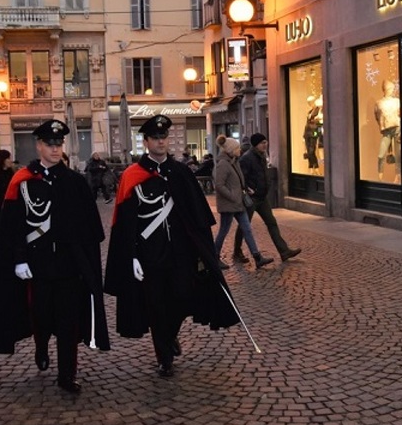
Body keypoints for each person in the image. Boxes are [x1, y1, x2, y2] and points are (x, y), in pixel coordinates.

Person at [0, 119, 109, 394]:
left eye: (58, 144)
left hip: (68, 265)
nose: (54, 149)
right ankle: (40, 346)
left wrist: (84, 262)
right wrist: (19, 259)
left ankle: (67, 374)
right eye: (49, 144)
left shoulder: (74, 181)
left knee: (68, 321)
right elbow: (13, 227)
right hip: (36, 265)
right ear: (39, 146)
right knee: (40, 315)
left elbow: (90, 227)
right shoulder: (22, 181)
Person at [104, 115, 239, 378]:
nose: (161, 142)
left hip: (181, 254)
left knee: (181, 299)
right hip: (150, 255)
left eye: (164, 138)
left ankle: (169, 335)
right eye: (155, 138)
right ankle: (164, 356)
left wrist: (202, 250)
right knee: (156, 306)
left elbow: (197, 216)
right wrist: (131, 256)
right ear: (145, 142)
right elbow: (125, 223)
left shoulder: (181, 172)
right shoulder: (132, 176)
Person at [232, 133, 302, 264]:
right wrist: (247, 189)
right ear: (256, 144)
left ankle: (284, 251)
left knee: (272, 223)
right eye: (262, 143)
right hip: (252, 199)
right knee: (244, 226)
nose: (265, 145)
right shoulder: (247, 158)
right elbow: (241, 177)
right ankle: (237, 251)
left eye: (266, 142)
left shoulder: (262, 156)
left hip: (263, 197)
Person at [213, 135, 274, 269]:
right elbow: (219, 185)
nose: (239, 149)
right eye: (237, 148)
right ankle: (214, 256)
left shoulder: (234, 162)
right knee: (224, 230)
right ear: (230, 150)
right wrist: (233, 196)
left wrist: (245, 189)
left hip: (239, 203)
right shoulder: (223, 164)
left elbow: (240, 181)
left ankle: (257, 257)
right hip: (229, 205)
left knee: (247, 229)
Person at [374, 80, 401, 182]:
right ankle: (380, 177)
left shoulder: (397, 101)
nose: (392, 91)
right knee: (381, 155)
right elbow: (377, 117)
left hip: (397, 129)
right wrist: (382, 125)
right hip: (386, 131)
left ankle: (397, 177)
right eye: (390, 89)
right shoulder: (378, 103)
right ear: (385, 89)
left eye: (392, 89)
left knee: (398, 155)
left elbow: (401, 115)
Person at [303, 96, 322, 172]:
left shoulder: (319, 110)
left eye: (310, 102)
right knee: (308, 150)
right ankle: (311, 166)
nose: (309, 104)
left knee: (311, 150)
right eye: (308, 103)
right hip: (307, 132)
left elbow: (320, 123)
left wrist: (317, 133)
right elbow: (307, 123)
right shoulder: (310, 111)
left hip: (314, 132)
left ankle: (315, 166)